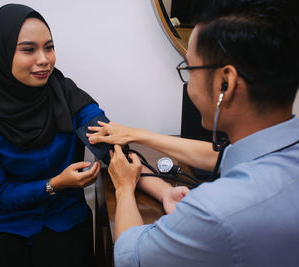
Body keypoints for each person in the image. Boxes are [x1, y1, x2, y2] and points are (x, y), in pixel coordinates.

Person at [87, 0, 299, 266]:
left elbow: (131, 255)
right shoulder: (282, 147)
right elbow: (221, 156)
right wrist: (138, 134)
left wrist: (124, 188)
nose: (188, 86)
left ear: (226, 83)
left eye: (190, 69)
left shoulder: (216, 211)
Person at [0, 4, 104, 267]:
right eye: (28, 49)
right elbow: (0, 195)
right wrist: (56, 183)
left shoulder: (66, 94)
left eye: (49, 47)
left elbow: (104, 132)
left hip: (63, 220)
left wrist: (156, 185)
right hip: (2, 226)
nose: (44, 59)